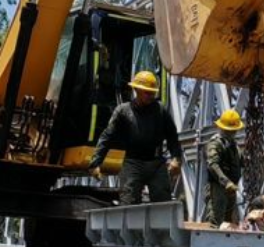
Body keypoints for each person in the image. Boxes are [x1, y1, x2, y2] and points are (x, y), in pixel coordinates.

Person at [88, 70, 183, 205]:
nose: (151, 96)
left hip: (156, 164)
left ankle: (162, 226)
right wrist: (95, 163)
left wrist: (176, 159)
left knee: (163, 203)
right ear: (136, 90)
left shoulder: (160, 111)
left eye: (153, 92)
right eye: (147, 92)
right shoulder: (123, 111)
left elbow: (172, 137)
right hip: (132, 163)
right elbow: (107, 137)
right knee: (129, 202)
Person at [204, 108, 248, 225]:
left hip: (231, 188)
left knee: (227, 223)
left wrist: (260, 157)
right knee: (215, 220)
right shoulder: (215, 143)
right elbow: (213, 164)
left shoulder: (233, 144)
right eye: (230, 130)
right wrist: (226, 182)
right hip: (218, 187)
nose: (232, 133)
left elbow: (241, 162)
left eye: (233, 131)